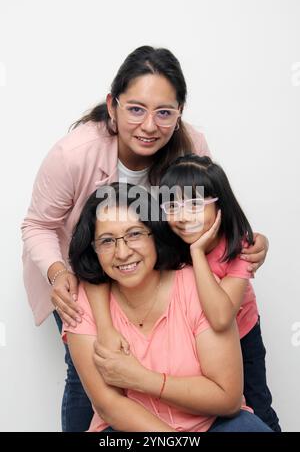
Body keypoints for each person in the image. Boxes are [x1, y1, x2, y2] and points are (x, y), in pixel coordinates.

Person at [21, 46, 269, 431]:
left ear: (180, 114)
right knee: (91, 385)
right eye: (136, 109)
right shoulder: (74, 155)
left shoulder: (191, 147)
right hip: (87, 280)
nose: (150, 126)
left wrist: (250, 242)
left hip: (195, 288)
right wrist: (58, 273)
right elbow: (38, 224)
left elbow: (216, 215)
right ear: (112, 106)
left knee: (248, 404)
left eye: (165, 113)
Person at [64, 182, 272, 432]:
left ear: (156, 234)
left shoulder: (197, 287)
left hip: (212, 425)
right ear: (94, 249)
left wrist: (140, 379)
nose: (122, 252)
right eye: (107, 241)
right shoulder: (82, 305)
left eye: (134, 234)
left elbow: (227, 399)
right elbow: (108, 404)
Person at [156, 154, 281, 431]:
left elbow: (220, 317)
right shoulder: (164, 244)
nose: (184, 215)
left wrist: (197, 253)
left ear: (220, 205)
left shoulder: (240, 247)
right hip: (192, 342)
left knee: (257, 405)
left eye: (196, 205)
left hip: (241, 336)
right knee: (205, 410)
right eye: (173, 205)